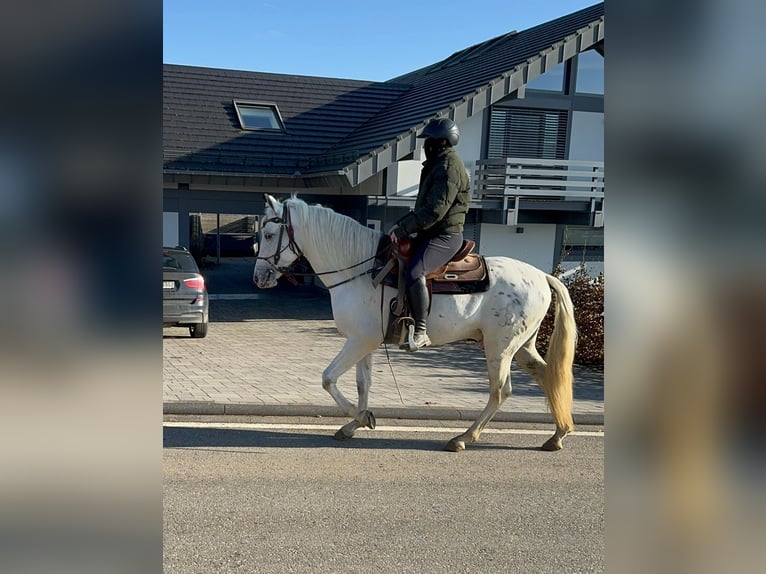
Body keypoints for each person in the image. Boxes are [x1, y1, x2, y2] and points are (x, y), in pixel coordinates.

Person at [387, 117, 471, 351]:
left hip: (445, 236)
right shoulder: (437, 164)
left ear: (440, 143)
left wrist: (405, 228)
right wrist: (400, 225)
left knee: (415, 271)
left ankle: (422, 331)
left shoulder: (448, 168)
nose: (424, 147)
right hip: (431, 232)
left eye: (429, 142)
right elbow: (424, 210)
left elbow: (435, 211)